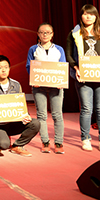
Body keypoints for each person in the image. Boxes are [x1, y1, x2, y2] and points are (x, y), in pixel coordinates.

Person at [65, 4, 100, 152]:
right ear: (81, 16)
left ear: (96, 16)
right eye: (85, 14)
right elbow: (68, 54)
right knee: (86, 109)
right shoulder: (74, 33)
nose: (88, 16)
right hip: (83, 77)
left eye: (91, 14)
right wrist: (76, 68)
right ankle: (85, 138)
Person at [0, 55, 40, 156]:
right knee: (4, 144)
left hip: (13, 123)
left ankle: (17, 146)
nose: (3, 70)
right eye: (0, 68)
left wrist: (26, 115)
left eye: (6, 67)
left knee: (35, 123)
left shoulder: (16, 85)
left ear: (9, 68)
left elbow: (21, 105)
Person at [26, 23, 66, 154]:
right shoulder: (33, 49)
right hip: (39, 87)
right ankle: (45, 142)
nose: (45, 35)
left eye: (48, 32)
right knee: (41, 115)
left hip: (56, 87)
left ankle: (59, 142)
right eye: (42, 32)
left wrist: (62, 81)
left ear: (52, 34)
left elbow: (63, 66)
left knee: (57, 115)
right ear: (38, 34)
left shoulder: (59, 49)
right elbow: (29, 66)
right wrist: (34, 79)